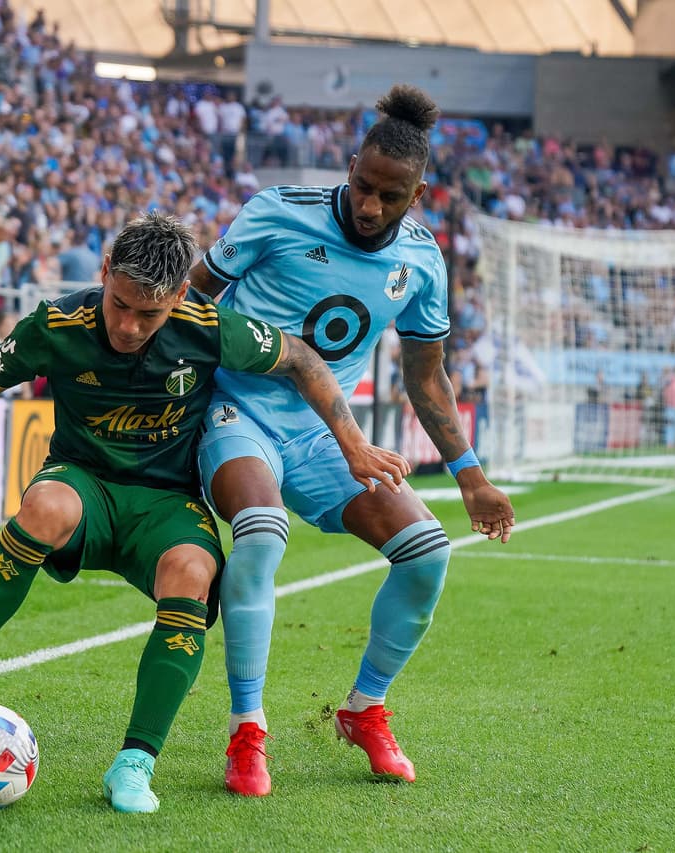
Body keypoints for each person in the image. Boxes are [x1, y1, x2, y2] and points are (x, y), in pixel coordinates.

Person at [0, 213, 406, 815]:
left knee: (194, 575)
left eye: (148, 314)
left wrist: (351, 441)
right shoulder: (58, 324)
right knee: (43, 506)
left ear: (178, 297)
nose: (126, 325)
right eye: (119, 303)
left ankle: (135, 763)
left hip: (167, 504)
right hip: (83, 485)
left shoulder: (207, 327)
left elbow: (302, 359)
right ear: (105, 274)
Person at [188, 85, 516, 796]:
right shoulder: (277, 212)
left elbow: (428, 380)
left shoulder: (423, 262)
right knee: (262, 533)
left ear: (418, 192)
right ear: (349, 165)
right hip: (237, 413)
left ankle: (364, 708)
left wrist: (470, 475)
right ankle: (248, 731)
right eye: (361, 185)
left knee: (427, 554)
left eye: (388, 196)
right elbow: (191, 298)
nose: (368, 205)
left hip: (324, 439)